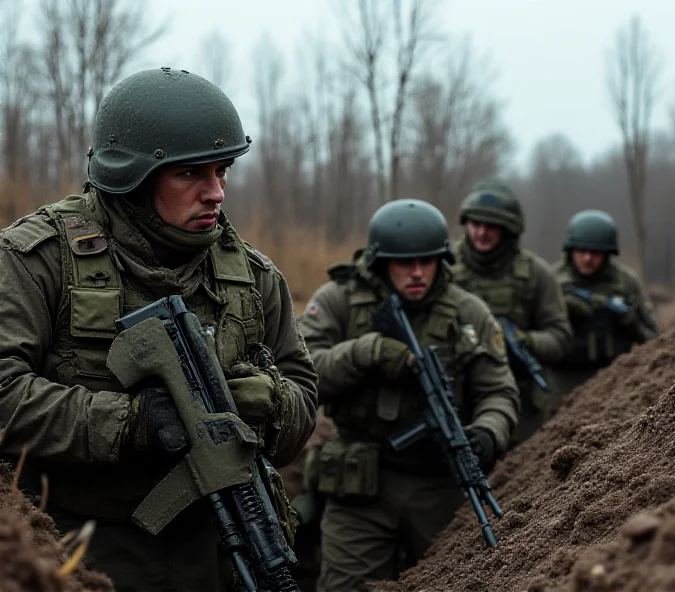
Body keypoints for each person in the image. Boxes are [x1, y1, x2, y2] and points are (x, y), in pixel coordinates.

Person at [0, 67, 318, 592]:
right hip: (74, 551)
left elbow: (304, 392)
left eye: (222, 171)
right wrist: (132, 423)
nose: (216, 193)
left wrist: (271, 404)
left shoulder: (253, 277)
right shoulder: (38, 259)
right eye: (191, 174)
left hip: (222, 547)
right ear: (134, 176)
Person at [298, 199, 520, 591]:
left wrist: (488, 433)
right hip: (359, 482)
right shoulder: (338, 300)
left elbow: (499, 392)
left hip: (440, 485)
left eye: (428, 261)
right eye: (405, 263)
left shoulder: (469, 313)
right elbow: (301, 375)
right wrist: (365, 352)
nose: (417, 273)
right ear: (381, 262)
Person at [451, 178, 572, 444]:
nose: (481, 232)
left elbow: (560, 337)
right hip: (454, 399)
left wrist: (524, 341)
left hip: (521, 409)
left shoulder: (536, 274)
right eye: (475, 224)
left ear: (509, 229)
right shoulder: (444, 269)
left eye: (491, 226)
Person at [550, 209, 658, 405]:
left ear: (608, 253)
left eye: (595, 252)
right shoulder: (552, 282)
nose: (587, 259)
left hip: (617, 381)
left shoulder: (626, 283)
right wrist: (561, 312)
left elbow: (655, 340)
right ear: (571, 250)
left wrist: (630, 323)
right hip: (562, 381)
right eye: (581, 251)